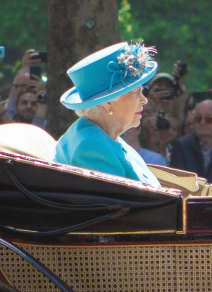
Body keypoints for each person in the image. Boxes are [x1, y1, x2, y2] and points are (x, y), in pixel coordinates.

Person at [54, 41, 160, 187]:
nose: (144, 100)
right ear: (107, 103)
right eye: (136, 92)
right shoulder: (91, 146)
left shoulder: (107, 138)